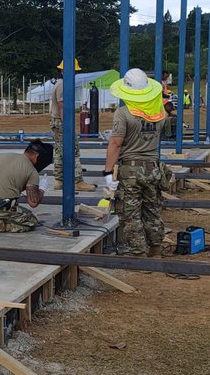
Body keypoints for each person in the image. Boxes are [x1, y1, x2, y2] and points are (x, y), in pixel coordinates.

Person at [104, 68, 166, 257]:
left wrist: (107, 173)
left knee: (130, 211)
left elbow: (115, 144)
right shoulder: (159, 112)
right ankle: (155, 245)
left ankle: (137, 251)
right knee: (152, 208)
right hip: (153, 168)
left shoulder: (123, 113)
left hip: (131, 170)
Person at [0, 138, 53, 233]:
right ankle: (0, 225)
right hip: (0, 209)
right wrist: (42, 188)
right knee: (30, 221)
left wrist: (0, 187)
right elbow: (33, 203)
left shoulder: (2, 156)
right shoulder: (32, 171)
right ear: (37, 157)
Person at [49, 59, 95, 191]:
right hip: (62, 122)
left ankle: (59, 180)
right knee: (73, 149)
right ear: (64, 72)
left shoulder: (60, 84)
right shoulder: (63, 85)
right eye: (73, 72)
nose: (74, 74)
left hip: (56, 121)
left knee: (59, 150)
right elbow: (62, 106)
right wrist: (68, 126)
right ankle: (77, 181)